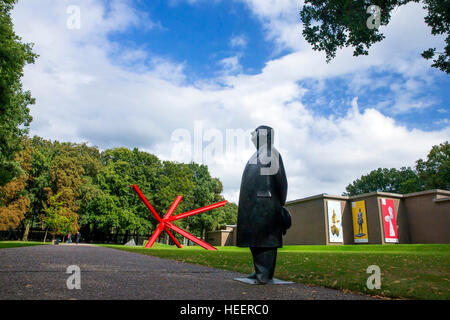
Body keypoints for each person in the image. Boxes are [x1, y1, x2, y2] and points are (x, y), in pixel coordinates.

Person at [236, 125, 288, 284]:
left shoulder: (272, 153)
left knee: (266, 240)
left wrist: (279, 204)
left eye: (255, 134)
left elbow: (281, 182)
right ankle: (259, 270)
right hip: (252, 205)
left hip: (266, 204)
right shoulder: (257, 154)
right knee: (255, 238)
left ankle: (264, 274)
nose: (252, 137)